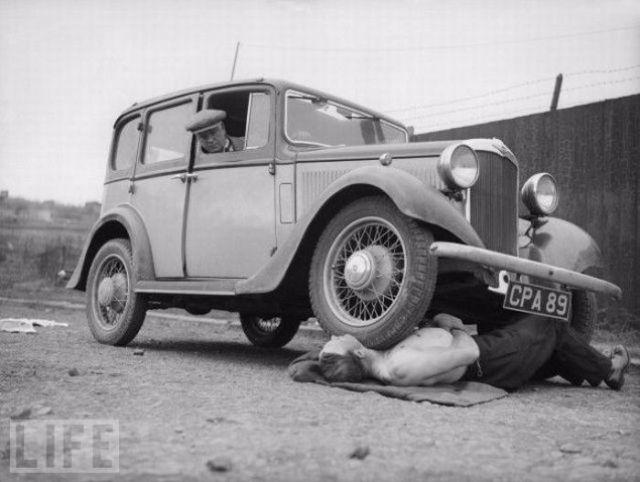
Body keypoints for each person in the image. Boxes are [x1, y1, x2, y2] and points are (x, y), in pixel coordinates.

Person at [319, 313, 631, 391]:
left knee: (532, 332)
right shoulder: (400, 367)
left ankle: (580, 369)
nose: (336, 334)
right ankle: (607, 370)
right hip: (489, 360)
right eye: (337, 341)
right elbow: (467, 353)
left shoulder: (383, 356)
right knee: (549, 325)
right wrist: (453, 326)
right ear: (357, 353)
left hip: (490, 353)